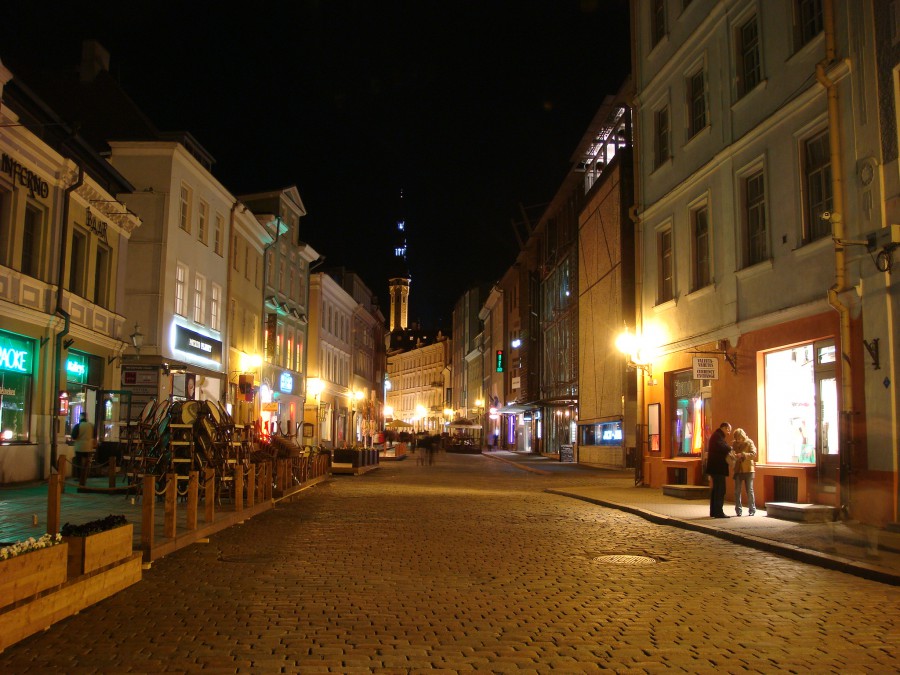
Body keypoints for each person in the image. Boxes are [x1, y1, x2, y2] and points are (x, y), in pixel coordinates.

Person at [705, 421, 732, 518]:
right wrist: (730, 448)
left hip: (716, 468)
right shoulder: (717, 436)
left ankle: (714, 511)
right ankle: (718, 512)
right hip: (718, 468)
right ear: (724, 428)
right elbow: (723, 448)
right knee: (720, 490)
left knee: (716, 490)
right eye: (728, 430)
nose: (729, 432)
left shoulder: (717, 436)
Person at [732, 428, 758, 516]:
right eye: (736, 438)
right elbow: (732, 453)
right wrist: (733, 456)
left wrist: (743, 454)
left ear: (743, 437)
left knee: (749, 490)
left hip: (748, 470)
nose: (738, 440)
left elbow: (753, 454)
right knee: (737, 491)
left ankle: (752, 509)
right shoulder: (734, 444)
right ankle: (738, 510)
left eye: (739, 438)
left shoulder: (749, 442)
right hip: (738, 469)